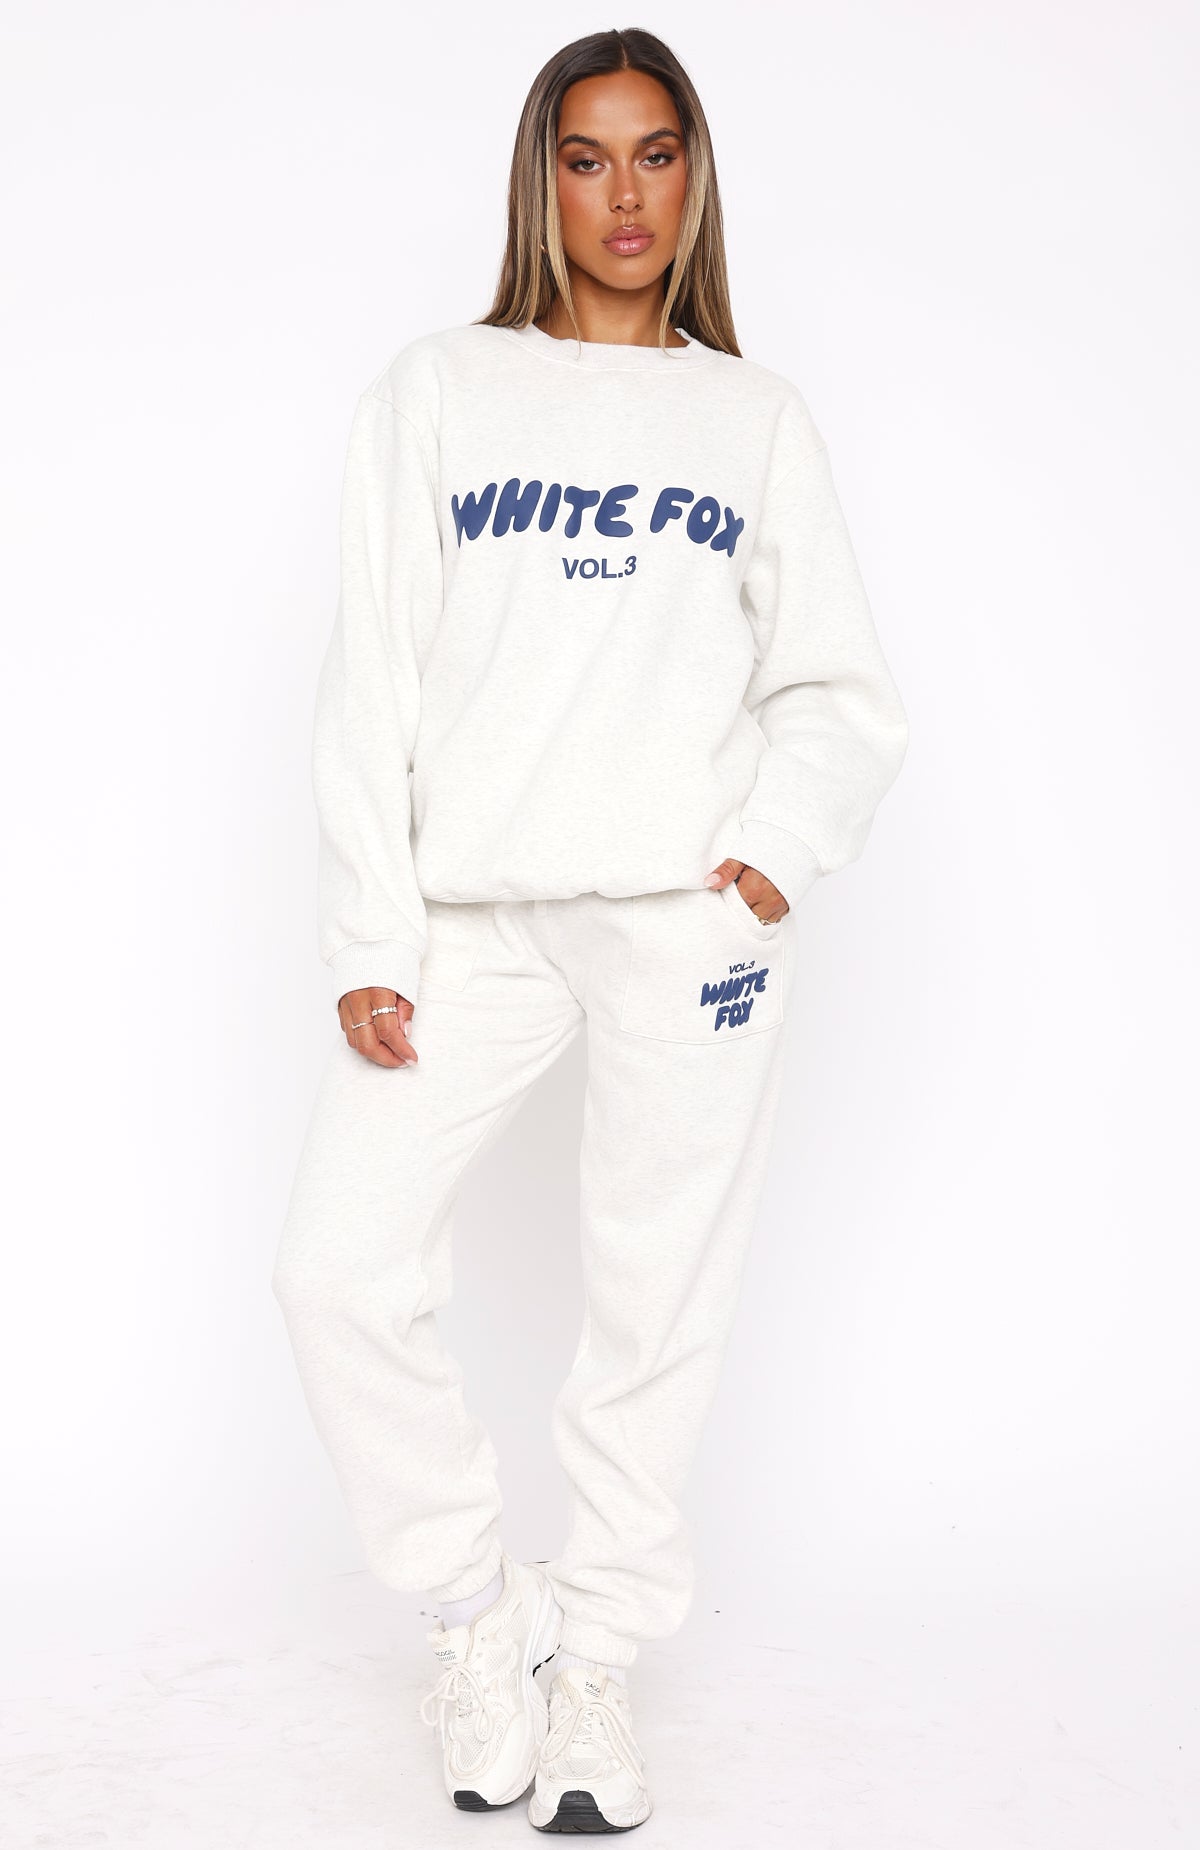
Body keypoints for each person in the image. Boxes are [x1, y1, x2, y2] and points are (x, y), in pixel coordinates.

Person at [271, 25, 909, 1836]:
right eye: (585, 156)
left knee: (657, 1302)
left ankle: (601, 1656)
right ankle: (480, 1617)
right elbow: (371, 677)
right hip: (471, 919)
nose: (623, 195)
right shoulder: (440, 391)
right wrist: (369, 935)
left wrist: (768, 857)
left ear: (694, 177)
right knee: (335, 1269)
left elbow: (841, 690)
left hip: (682, 926)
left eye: (655, 154)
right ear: (537, 181)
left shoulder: (752, 416)